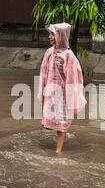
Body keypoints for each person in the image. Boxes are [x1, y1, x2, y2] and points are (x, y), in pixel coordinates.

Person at [37, 23, 87, 154]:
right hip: (51, 93)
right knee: (52, 120)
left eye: (53, 34)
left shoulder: (68, 55)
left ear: (61, 36)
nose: (50, 37)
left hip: (63, 95)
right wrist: (42, 90)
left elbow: (73, 77)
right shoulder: (49, 52)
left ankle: (58, 150)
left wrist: (70, 97)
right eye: (50, 34)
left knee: (61, 121)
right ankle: (62, 138)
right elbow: (43, 72)